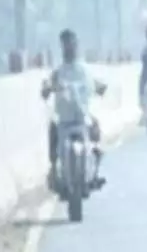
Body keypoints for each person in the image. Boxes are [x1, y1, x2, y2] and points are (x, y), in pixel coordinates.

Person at [42, 29, 106, 190]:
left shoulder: (84, 70)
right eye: (66, 45)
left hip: (82, 118)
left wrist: (100, 87)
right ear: (62, 47)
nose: (69, 48)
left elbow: (95, 83)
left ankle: (95, 171)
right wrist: (47, 88)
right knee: (52, 129)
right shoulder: (59, 71)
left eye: (71, 44)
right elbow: (48, 84)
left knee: (96, 128)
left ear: (76, 46)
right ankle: (54, 171)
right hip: (64, 120)